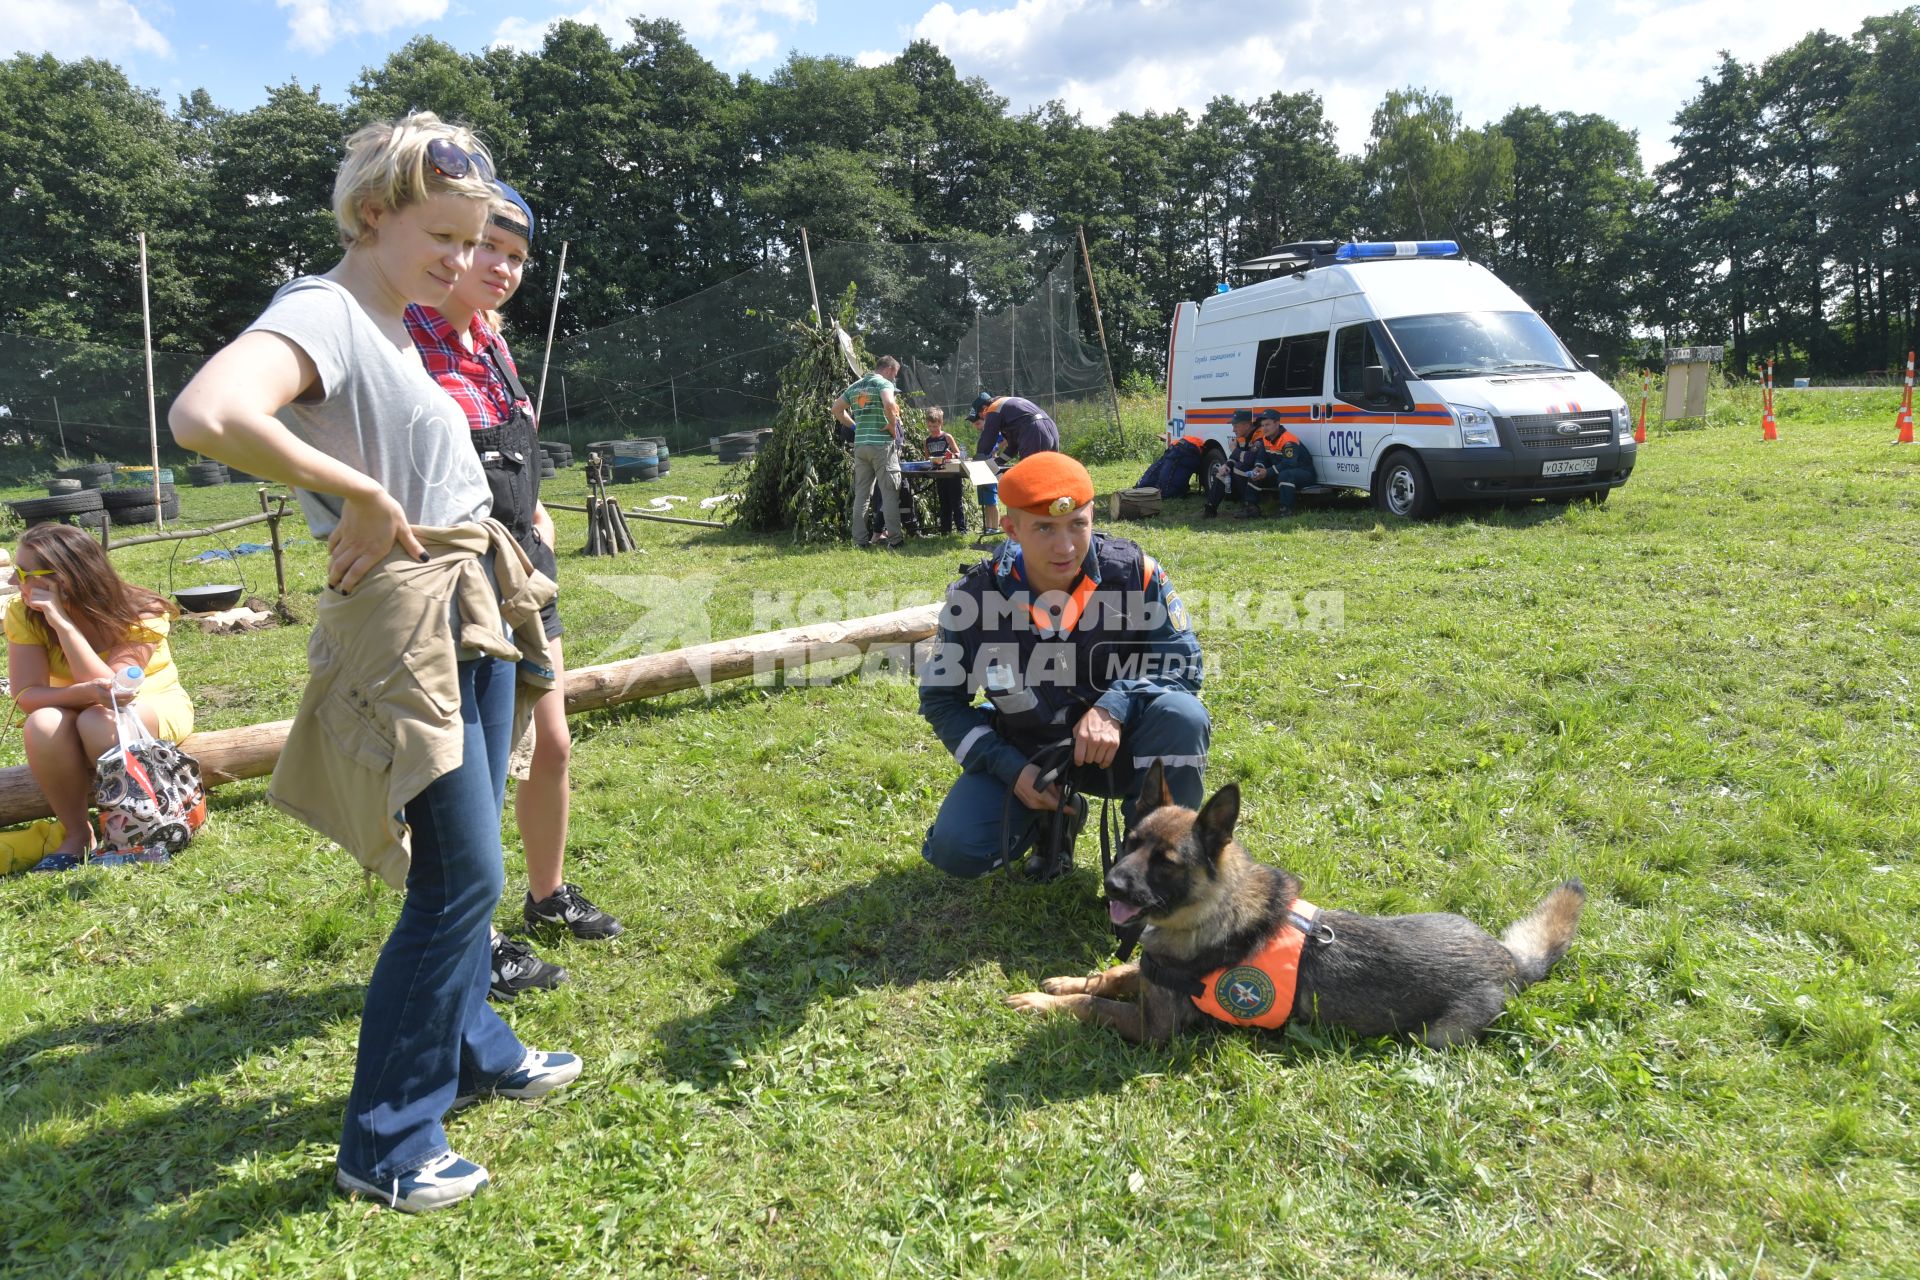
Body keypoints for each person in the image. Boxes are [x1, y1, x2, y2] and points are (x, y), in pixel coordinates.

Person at [168, 112, 578, 1214]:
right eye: (439, 236)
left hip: (472, 602)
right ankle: (387, 1140)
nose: (457, 260)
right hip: (409, 618)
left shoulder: (399, 325)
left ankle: (477, 1045)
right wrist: (350, 487)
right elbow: (206, 411)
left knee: (473, 844)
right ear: (371, 216)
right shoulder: (326, 310)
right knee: (458, 876)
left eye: (472, 239)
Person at [404, 180, 623, 1004]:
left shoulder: (489, 341)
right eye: (486, 247)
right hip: (452, 578)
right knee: (475, 768)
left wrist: (531, 507)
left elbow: (506, 448)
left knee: (552, 745)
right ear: (448, 246)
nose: (499, 267)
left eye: (516, 257)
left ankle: (547, 896)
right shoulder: (401, 336)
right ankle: (477, 934)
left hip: (521, 566)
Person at [918, 452, 1210, 881]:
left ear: (1092, 516)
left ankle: (1152, 864)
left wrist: (1115, 704)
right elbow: (942, 702)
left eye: (1078, 524)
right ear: (1011, 528)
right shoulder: (974, 600)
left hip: (1122, 748)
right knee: (957, 850)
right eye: (1044, 528)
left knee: (1183, 716)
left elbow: (1184, 664)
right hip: (1029, 751)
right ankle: (1056, 820)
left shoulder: (1136, 575)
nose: (1066, 546)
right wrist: (1009, 768)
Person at [5, 524, 196, 868]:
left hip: (147, 703)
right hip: (76, 702)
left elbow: (113, 691)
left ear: (64, 579)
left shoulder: (143, 609)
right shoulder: (24, 613)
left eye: (23, 573)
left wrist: (63, 623)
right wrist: (81, 694)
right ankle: (78, 833)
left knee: (97, 720)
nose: (14, 583)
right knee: (43, 723)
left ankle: (133, 835)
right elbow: (27, 695)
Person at [832, 356, 904, 549]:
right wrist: (891, 424)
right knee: (889, 492)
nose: (893, 379)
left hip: (861, 446)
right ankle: (895, 540)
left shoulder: (855, 386)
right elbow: (889, 404)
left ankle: (860, 541)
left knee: (862, 494)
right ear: (888, 369)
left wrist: (855, 426)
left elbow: (836, 409)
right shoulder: (883, 383)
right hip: (881, 446)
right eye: (894, 375)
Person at [967, 392, 1060, 536]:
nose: (984, 418)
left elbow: (988, 436)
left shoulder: (993, 408)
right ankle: (1054, 518)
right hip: (1049, 427)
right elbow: (1013, 446)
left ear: (984, 408)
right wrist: (999, 462)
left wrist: (979, 457)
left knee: (1032, 482)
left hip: (1034, 431)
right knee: (1048, 478)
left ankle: (1037, 525)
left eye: (981, 415)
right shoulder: (1010, 408)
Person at [1248, 408, 1316, 517]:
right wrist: (1258, 468)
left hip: (1305, 473)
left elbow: (1289, 464)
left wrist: (1267, 472)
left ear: (1277, 424)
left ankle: (1286, 510)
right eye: (1263, 425)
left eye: (1267, 425)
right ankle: (1251, 508)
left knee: (1285, 475)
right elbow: (1261, 458)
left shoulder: (1288, 440)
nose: (1264, 428)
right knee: (1254, 474)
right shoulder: (1266, 439)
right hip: (1282, 472)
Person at [1202, 410, 1262, 519]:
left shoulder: (1259, 436)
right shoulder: (1242, 435)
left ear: (1247, 425)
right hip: (1248, 474)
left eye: (1236, 426)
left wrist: (1234, 450)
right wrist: (1227, 465)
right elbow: (1235, 457)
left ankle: (1250, 507)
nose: (1233, 430)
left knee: (1239, 467)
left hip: (1262, 474)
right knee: (1223, 472)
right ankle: (1210, 508)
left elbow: (1250, 459)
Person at [923, 406, 967, 535]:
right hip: (939, 474)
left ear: (941, 423)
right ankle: (945, 531)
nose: (933, 429)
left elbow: (959, 453)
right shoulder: (927, 440)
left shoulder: (947, 437)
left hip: (952, 473)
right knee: (944, 503)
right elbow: (927, 458)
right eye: (930, 426)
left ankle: (961, 530)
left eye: (935, 426)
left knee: (956, 502)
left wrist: (952, 455)